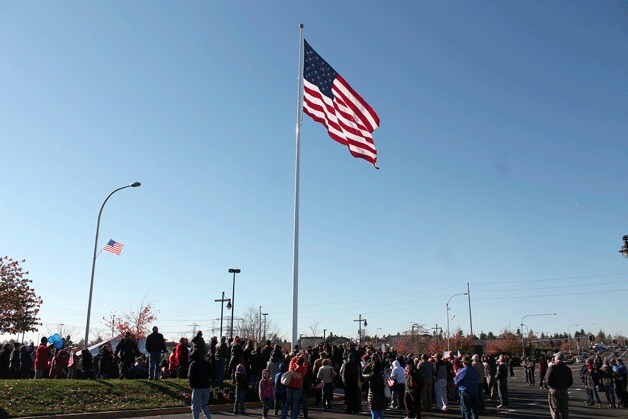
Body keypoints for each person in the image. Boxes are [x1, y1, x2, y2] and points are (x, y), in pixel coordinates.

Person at [280, 349, 309, 419]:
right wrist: (304, 359)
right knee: (295, 404)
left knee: (287, 402)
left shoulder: (292, 365)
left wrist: (297, 356)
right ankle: (293, 417)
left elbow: (292, 362)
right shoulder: (303, 368)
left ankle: (283, 416)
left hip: (290, 386)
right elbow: (304, 370)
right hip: (298, 387)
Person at [545, 352, 573, 419]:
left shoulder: (552, 368)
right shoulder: (567, 369)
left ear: (556, 359)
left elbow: (547, 380)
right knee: (565, 410)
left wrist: (549, 386)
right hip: (564, 390)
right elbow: (570, 382)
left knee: (554, 410)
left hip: (554, 390)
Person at [188, 349, 213, 419]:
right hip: (206, 387)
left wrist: (191, 385)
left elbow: (190, 376)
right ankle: (208, 417)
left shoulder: (193, 364)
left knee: (195, 406)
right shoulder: (207, 363)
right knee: (204, 405)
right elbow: (213, 374)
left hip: (197, 387)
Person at [363, 354, 387, 419]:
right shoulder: (381, 375)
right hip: (381, 395)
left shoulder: (371, 376)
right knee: (381, 413)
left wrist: (368, 366)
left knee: (374, 413)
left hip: (373, 396)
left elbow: (363, 374)